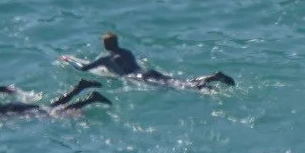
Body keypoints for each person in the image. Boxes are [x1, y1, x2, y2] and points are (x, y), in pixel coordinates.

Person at [64, 33, 234, 89]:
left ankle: (206, 84)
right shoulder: (127, 52)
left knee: (177, 87)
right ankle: (209, 79)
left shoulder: (106, 59)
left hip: (139, 78)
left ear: (105, 45)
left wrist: (69, 60)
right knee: (178, 82)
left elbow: (84, 68)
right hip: (148, 72)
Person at [0, 68, 109, 122]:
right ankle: (80, 87)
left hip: (12, 112)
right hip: (14, 107)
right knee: (51, 108)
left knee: (55, 112)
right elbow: (3, 88)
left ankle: (90, 98)